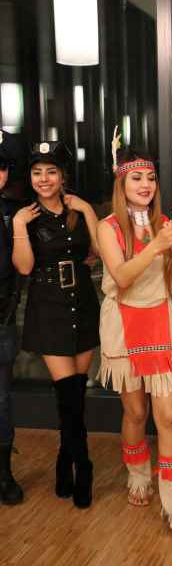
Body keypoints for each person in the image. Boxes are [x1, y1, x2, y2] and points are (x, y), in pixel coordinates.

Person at [97, 139, 172, 534]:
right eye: (137, 178)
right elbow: (122, 277)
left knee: (169, 415)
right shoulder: (107, 227)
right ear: (121, 183)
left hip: (160, 320)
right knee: (136, 413)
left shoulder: (166, 224)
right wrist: (156, 245)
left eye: (151, 178)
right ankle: (138, 475)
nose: (145, 185)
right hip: (122, 324)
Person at [12, 141, 100, 509]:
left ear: (63, 176)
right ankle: (84, 466)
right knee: (67, 394)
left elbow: (98, 253)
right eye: (37, 173)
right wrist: (19, 225)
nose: (44, 179)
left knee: (75, 396)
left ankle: (65, 461)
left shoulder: (78, 209)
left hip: (83, 302)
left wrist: (89, 211)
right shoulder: (25, 216)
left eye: (51, 172)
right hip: (48, 308)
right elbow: (24, 266)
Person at [0, 130, 26, 505]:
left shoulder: (14, 213)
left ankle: (3, 474)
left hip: (1, 318)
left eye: (3, 166)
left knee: (1, 401)